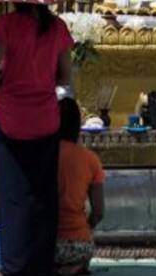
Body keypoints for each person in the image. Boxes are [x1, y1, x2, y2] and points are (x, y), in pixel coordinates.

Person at [0, 2, 74, 276]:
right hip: (45, 119)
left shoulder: (6, 26)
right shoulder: (57, 28)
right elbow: (66, 76)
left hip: (11, 118)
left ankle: (13, 267)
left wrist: (4, 78)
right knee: (43, 194)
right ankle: (41, 264)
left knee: (14, 194)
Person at [55, 99, 105, 275]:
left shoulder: (43, 155)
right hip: (80, 246)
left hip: (47, 245)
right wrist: (83, 228)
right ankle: (74, 269)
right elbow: (98, 212)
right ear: (78, 126)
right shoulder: (91, 159)